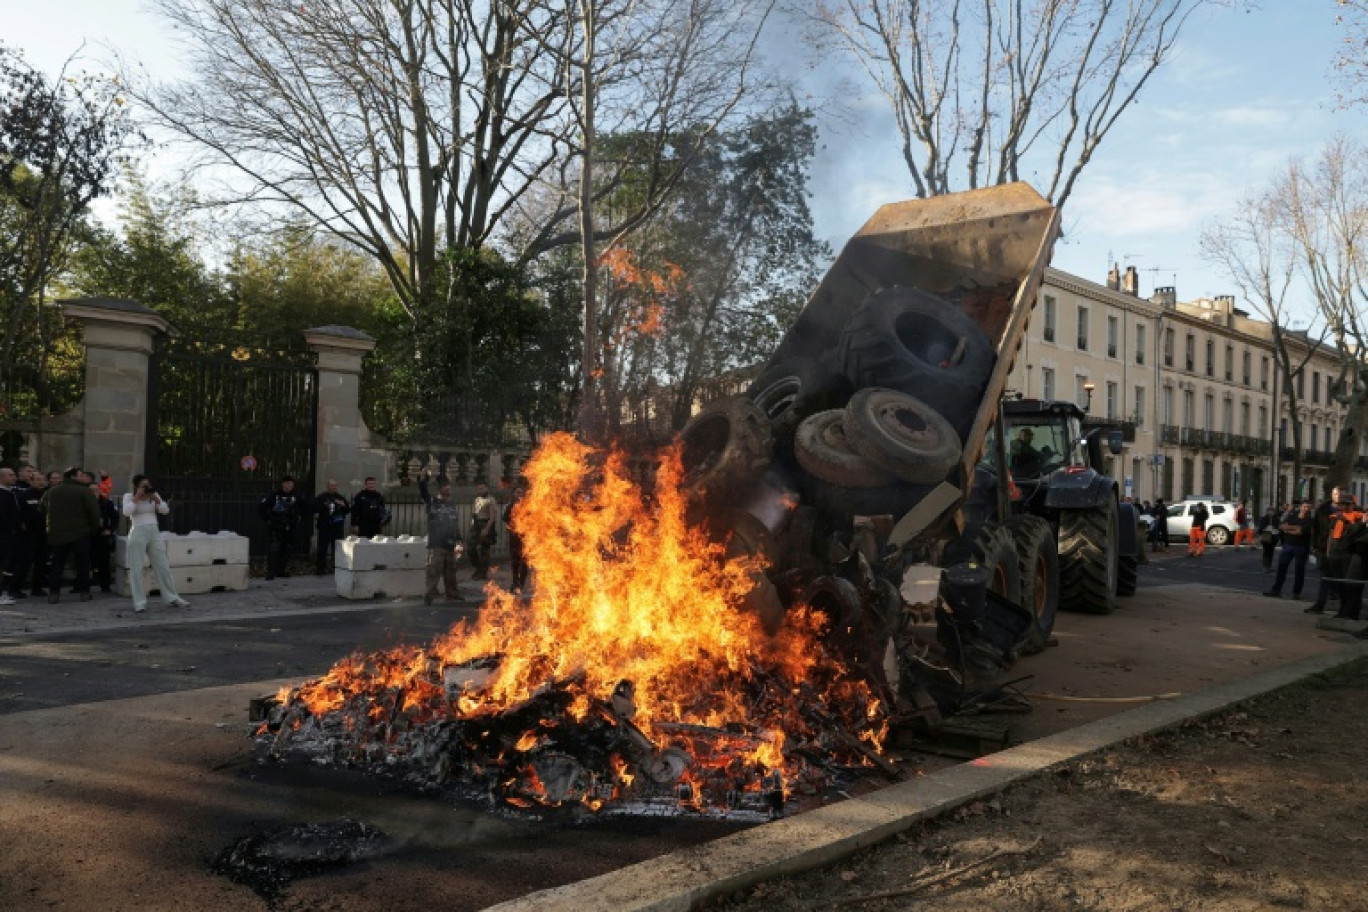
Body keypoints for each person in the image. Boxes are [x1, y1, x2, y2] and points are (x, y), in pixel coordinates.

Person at [122, 475, 190, 613]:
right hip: (137, 532)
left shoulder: (153, 495)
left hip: (154, 531)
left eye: (148, 484)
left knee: (162, 565)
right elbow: (126, 512)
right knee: (136, 568)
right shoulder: (129, 497)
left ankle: (172, 597)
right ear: (136, 487)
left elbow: (165, 510)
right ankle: (139, 602)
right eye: (143, 485)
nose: (147, 488)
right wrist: (137, 498)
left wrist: (157, 500)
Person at [41, 467, 101, 603]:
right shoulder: (84, 491)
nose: (82, 477)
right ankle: (84, 592)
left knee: (57, 565)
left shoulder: (51, 491)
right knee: (83, 565)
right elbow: (94, 513)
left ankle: (54, 593)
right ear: (74, 476)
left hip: (58, 535)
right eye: (80, 475)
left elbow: (41, 508)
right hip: (80, 533)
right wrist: (93, 529)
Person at [418, 470, 464, 604]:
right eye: (445, 488)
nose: (448, 490)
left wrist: (459, 540)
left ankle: (452, 594)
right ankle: (429, 594)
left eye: (449, 488)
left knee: (451, 571)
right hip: (436, 543)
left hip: (450, 543)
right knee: (433, 570)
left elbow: (455, 523)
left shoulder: (452, 504)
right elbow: (423, 492)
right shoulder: (432, 502)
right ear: (439, 490)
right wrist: (422, 479)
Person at [1321, 492, 1365, 620]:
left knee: (1350, 584)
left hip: (1348, 553)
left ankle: (1351, 611)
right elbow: (1331, 534)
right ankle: (1342, 609)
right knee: (1339, 582)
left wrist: (1346, 521)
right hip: (1336, 551)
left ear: (1352, 504)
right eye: (1341, 504)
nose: (1343, 506)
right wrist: (1328, 551)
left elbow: (1356, 531)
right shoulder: (1335, 517)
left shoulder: (1358, 517)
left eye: (1346, 504)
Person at [258, 476, 305, 580]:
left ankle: (281, 570)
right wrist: (268, 520)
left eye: (291, 483)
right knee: (274, 549)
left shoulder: (296, 496)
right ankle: (271, 572)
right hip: (276, 526)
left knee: (287, 548)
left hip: (290, 526)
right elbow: (261, 508)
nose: (290, 485)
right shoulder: (274, 495)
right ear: (283, 484)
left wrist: (299, 518)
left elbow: (304, 507)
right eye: (287, 483)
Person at [1306, 487, 1343, 614]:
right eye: (1336, 493)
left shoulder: (1350, 509)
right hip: (1323, 547)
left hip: (1341, 548)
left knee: (1340, 578)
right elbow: (1315, 528)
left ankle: (1340, 605)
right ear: (1332, 495)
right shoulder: (1322, 509)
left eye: (1340, 493)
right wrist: (1314, 546)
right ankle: (1320, 604)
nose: (1338, 496)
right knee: (1325, 576)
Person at [1265, 501, 1314, 599]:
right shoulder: (1292, 516)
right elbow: (1281, 526)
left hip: (1302, 547)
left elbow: (1300, 531)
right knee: (1282, 568)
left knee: (1299, 570)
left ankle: (1296, 593)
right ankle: (1276, 590)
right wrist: (1293, 528)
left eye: (1308, 507)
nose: (1306, 509)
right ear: (1300, 507)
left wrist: (1288, 529)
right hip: (1288, 545)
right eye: (1304, 507)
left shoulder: (1310, 520)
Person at [311, 479, 350, 575]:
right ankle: (320, 568)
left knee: (337, 549)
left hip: (337, 527)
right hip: (325, 526)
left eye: (335, 486)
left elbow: (347, 509)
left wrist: (343, 505)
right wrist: (324, 506)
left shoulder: (340, 497)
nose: (333, 487)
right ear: (328, 486)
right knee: (322, 548)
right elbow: (314, 508)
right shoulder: (322, 497)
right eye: (332, 486)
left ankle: (336, 567)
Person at [89, 480, 119, 594]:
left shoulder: (107, 503)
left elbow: (115, 517)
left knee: (103, 562)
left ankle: (105, 585)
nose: (94, 492)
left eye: (96, 490)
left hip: (102, 536)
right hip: (88, 535)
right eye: (91, 490)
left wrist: (110, 530)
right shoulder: (83, 502)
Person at [505, 475, 530, 593]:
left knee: (525, 562)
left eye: (521, 492)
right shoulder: (510, 506)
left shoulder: (528, 507)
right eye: (517, 492)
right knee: (515, 561)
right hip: (514, 537)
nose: (519, 494)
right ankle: (515, 583)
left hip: (526, 537)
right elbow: (504, 518)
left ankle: (521, 583)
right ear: (514, 494)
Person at [469, 481, 498, 581]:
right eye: (478, 488)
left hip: (485, 523)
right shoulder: (477, 499)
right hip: (476, 524)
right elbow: (474, 514)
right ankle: (478, 568)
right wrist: (472, 525)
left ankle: (483, 572)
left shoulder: (491, 500)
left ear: (486, 488)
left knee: (484, 550)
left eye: (482, 488)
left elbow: (492, 517)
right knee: (470, 548)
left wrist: (486, 529)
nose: (480, 490)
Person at [0, 467, 19, 606]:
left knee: (7, 565)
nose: (14, 477)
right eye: (10, 475)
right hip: (3, 535)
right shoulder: (2, 494)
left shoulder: (10, 492)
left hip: (9, 535)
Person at [1258, 504, 1281, 571]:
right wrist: (1267, 528)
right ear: (1267, 511)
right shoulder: (1264, 518)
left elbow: (1278, 527)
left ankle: (1269, 566)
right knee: (1266, 552)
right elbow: (1261, 528)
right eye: (1269, 511)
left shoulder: (1276, 519)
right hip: (1266, 536)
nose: (1271, 512)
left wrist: (1276, 530)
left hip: (1274, 537)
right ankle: (1265, 567)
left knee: (1271, 552)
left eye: (1272, 511)